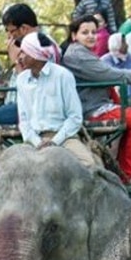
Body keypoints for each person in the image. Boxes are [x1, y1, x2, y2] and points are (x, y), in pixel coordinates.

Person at [0, 3, 60, 201]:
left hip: (30, 107)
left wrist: (16, 61)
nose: (9, 37)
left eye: (11, 31)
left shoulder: (42, 44)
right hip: (16, 103)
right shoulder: (26, 44)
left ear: (23, 28)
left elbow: (33, 85)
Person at [63, 15, 131, 189]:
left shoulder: (82, 53)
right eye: (85, 32)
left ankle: (122, 172)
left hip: (95, 103)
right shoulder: (77, 55)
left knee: (129, 115)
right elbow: (107, 74)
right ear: (74, 35)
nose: (91, 36)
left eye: (94, 32)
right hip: (91, 109)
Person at [15, 32, 88, 163]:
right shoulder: (21, 80)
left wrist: (54, 141)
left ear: (35, 55)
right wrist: (37, 142)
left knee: (87, 164)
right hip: (33, 139)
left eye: (24, 52)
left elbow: (75, 117)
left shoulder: (63, 76)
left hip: (64, 138)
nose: (19, 57)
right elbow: (24, 121)